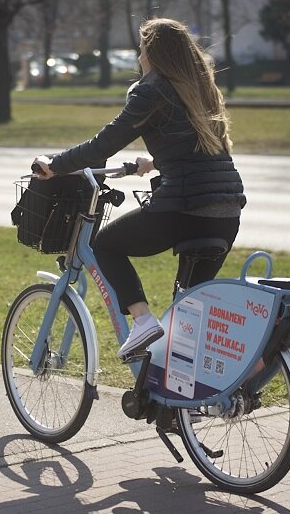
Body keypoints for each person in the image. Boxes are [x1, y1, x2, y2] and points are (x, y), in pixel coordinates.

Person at [33, 18, 246, 359]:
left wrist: (54, 165)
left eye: (142, 49)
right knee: (187, 313)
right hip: (226, 212)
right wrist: (155, 161)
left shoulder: (152, 90)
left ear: (151, 53)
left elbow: (104, 144)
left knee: (106, 244)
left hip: (185, 209)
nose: (139, 56)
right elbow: (200, 150)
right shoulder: (201, 88)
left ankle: (142, 320)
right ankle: (173, 404)